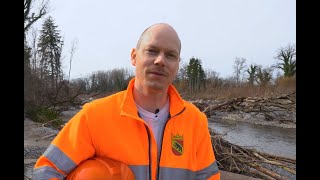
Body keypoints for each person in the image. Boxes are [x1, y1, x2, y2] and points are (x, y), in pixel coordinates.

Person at [33, 23, 221, 180]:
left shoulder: (196, 121)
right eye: (152, 51)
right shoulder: (95, 116)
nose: (160, 60)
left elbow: (209, 177)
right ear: (134, 56)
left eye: (170, 55)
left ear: (178, 64)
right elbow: (46, 170)